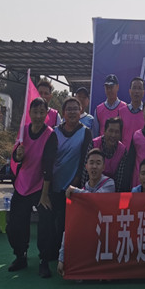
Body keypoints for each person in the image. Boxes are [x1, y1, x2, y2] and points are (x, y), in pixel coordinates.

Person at [7, 97, 57, 278]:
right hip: (22, 185)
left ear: (46, 114)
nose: (38, 116)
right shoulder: (23, 131)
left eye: (41, 112)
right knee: (15, 224)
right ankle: (20, 256)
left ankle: (44, 260)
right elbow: (15, 155)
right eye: (35, 112)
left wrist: (44, 194)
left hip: (41, 187)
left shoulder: (50, 135)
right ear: (29, 113)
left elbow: (49, 166)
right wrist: (18, 155)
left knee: (46, 223)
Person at [57, 148, 115, 277]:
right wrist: (62, 258)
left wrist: (75, 191)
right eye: (91, 163)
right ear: (86, 166)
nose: (94, 166)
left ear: (104, 167)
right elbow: (70, 227)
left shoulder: (109, 183)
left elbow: (96, 199)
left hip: (106, 235)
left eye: (98, 163)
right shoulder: (84, 189)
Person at [50, 97, 92, 262]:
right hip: (54, 184)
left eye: (75, 109)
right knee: (54, 221)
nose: (73, 112)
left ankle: (69, 254)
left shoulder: (85, 132)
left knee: (70, 222)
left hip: (74, 186)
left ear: (80, 111)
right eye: (69, 109)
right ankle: (52, 254)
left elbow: (85, 159)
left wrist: (76, 180)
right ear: (63, 113)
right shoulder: (54, 132)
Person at [86, 117, 127, 187]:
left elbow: (119, 179)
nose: (113, 135)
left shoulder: (123, 151)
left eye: (117, 132)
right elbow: (86, 171)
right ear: (104, 131)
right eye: (110, 131)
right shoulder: (94, 144)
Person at [120, 77, 145, 149]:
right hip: (124, 153)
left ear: (143, 92)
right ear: (130, 91)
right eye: (134, 88)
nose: (136, 91)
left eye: (139, 88)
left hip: (142, 153)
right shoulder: (121, 112)